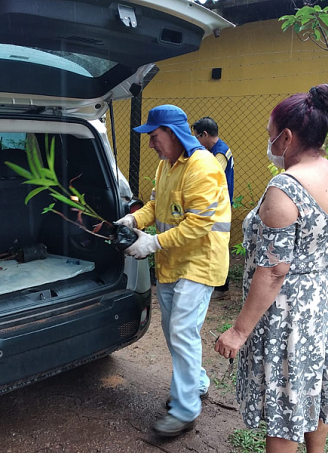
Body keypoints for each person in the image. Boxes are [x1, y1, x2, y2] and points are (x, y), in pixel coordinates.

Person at [214, 83, 328, 453]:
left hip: (287, 313)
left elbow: (274, 271)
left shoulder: (286, 188)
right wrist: (315, 279)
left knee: (285, 402)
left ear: (287, 137)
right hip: (323, 305)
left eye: (270, 135)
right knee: (312, 389)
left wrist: (238, 333)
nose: (270, 142)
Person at [116, 105, 231, 437]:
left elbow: (199, 222)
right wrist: (133, 220)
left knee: (180, 329)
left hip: (200, 261)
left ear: (173, 133)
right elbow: (155, 205)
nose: (151, 144)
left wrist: (152, 244)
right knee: (174, 330)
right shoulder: (166, 166)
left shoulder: (203, 168)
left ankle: (185, 410)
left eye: (154, 137)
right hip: (173, 261)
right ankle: (197, 382)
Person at [192, 117, 234, 300]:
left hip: (218, 206)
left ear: (205, 134)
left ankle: (221, 288)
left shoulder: (219, 154)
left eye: (197, 137)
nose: (196, 141)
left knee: (217, 246)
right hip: (217, 204)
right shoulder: (219, 150)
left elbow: (210, 178)